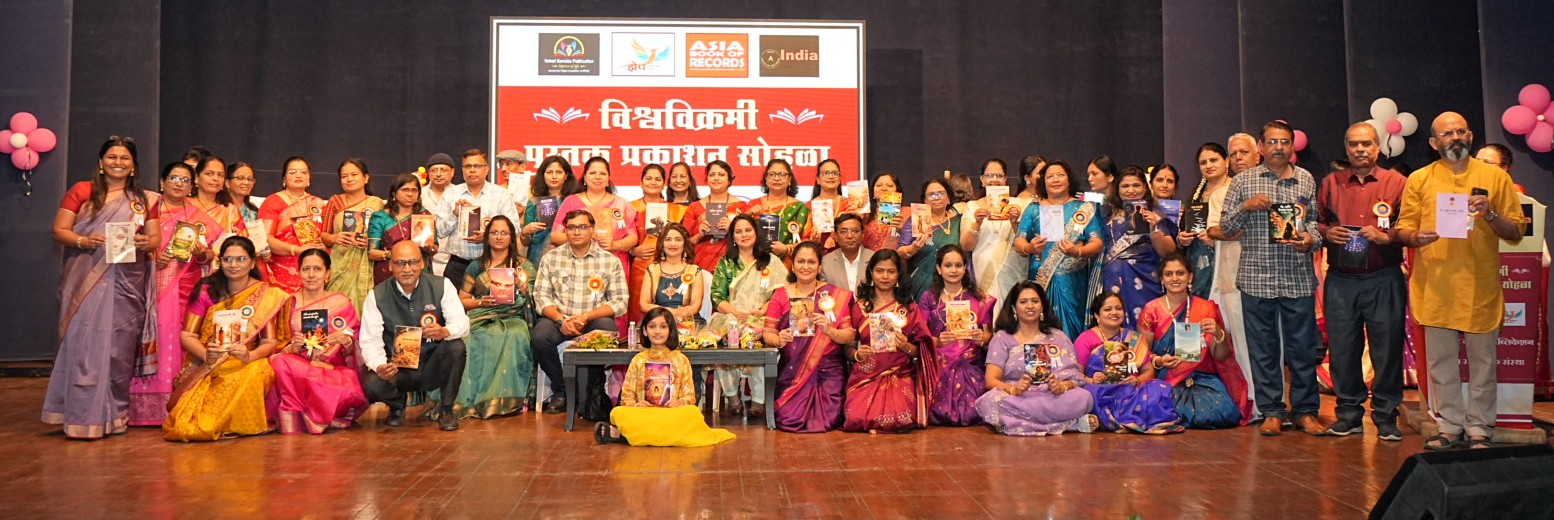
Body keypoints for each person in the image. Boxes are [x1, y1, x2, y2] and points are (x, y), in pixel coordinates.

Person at [1397, 112, 1525, 450]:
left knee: (1483, 364)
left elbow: (1516, 231)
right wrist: (1414, 237)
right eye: (1446, 133)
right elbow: (1403, 227)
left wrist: (1490, 213)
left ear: (1470, 136)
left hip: (1479, 285)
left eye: (1460, 131)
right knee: (1441, 364)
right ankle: (1450, 426)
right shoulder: (1420, 179)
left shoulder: (1495, 177)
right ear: (1433, 142)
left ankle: (1480, 428)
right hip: (1435, 285)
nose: (1455, 137)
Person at [1210, 120, 1325, 436]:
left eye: (1285, 142)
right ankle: (1272, 411)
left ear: (1292, 146)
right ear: (1261, 147)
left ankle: (1305, 412)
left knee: (1302, 350)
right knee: (1263, 350)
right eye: (1272, 142)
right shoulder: (1243, 181)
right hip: (1256, 278)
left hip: (1297, 277)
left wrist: (1309, 240)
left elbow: (1314, 224)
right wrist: (1246, 206)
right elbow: (1226, 227)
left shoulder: (1305, 179)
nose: (1279, 147)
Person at [44, 136, 160, 439]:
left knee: (117, 351)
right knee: (85, 346)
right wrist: (84, 240)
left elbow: (155, 239)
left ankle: (115, 415)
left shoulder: (144, 199)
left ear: (133, 165)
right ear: (101, 162)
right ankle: (80, 417)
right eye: (112, 157)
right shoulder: (82, 191)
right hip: (85, 279)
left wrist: (145, 242)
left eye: (124, 158)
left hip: (127, 283)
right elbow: (59, 231)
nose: (117, 163)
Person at [1313, 123, 1408, 441]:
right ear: (1346, 148)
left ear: (1378, 147)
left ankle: (1386, 415)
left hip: (1384, 278)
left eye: (1366, 143)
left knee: (1387, 350)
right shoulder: (1330, 183)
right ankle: (1349, 414)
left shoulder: (1397, 182)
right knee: (1342, 349)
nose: (1360, 149)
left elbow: (1409, 223)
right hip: (1341, 279)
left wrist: (1387, 236)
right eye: (1353, 144)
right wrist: (1328, 232)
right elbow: (1315, 223)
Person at [164, 236, 291, 441]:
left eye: (241, 259)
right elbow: (188, 335)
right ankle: (218, 423)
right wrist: (207, 355)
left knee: (256, 371)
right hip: (209, 361)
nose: (233, 265)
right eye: (228, 259)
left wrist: (249, 356)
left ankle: (239, 424)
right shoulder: (206, 290)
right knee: (189, 423)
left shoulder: (265, 294)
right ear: (220, 261)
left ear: (252, 262)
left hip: (245, 360)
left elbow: (269, 342)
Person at [132, 162, 219, 425]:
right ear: (162, 182)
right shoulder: (146, 210)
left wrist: (201, 253)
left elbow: (210, 255)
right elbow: (128, 243)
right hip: (147, 288)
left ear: (191, 186)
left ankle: (179, 402)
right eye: (174, 178)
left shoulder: (198, 216)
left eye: (185, 180)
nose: (179, 183)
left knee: (178, 341)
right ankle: (141, 408)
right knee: (150, 337)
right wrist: (152, 254)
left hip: (184, 290)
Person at [359, 240, 470, 431]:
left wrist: (445, 331)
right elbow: (370, 341)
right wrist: (380, 365)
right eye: (400, 263)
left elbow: (462, 323)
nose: (407, 269)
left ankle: (446, 409)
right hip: (399, 369)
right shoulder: (376, 295)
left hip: (432, 364)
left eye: (413, 262)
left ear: (422, 263)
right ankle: (397, 405)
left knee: (456, 346)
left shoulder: (442, 285)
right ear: (390, 265)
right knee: (372, 384)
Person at [1136, 255, 1251, 428]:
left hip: (1202, 377)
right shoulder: (1151, 311)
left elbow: (1221, 356)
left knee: (1225, 411)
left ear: (1190, 277)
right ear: (1162, 279)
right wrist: (1159, 360)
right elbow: (1143, 355)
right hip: (1166, 377)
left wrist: (1218, 333)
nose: (1174, 278)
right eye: (1168, 274)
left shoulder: (1206, 308)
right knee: (1156, 404)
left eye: (1180, 273)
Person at [533, 209, 630, 414]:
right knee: (540, 337)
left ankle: (589, 394)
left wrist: (586, 317)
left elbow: (620, 302)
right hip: (558, 319)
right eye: (571, 227)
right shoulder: (551, 258)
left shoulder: (609, 260)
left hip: (592, 318)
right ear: (565, 230)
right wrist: (561, 320)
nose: (576, 232)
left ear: (592, 230)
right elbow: (541, 297)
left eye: (582, 227)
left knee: (607, 329)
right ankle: (561, 390)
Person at [597, 308, 736, 446]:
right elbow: (626, 397)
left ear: (670, 331)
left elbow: (690, 397)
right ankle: (665, 436)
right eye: (652, 326)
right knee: (618, 412)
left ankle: (628, 435)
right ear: (644, 331)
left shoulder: (681, 360)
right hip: (645, 414)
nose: (657, 331)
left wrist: (680, 402)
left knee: (692, 413)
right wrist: (637, 405)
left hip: (671, 414)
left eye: (663, 327)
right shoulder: (638, 360)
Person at [974, 281, 1097, 436]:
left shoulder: (1058, 336)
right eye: (1023, 302)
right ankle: (1071, 424)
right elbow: (991, 380)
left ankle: (1015, 424)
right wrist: (1014, 389)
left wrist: (1061, 386)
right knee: (990, 400)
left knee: (1083, 397)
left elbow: (1075, 376)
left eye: (1035, 301)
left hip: (1052, 395)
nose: (1030, 306)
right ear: (1014, 308)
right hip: (1019, 397)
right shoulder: (1002, 337)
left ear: (1042, 306)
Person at [270, 249, 369, 434]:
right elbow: (276, 346)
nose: (311, 274)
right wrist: (292, 347)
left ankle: (316, 414)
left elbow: (357, 346)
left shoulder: (341, 303)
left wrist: (346, 342)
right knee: (279, 362)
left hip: (333, 370)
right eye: (306, 269)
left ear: (327, 274)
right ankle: (302, 416)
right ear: (299, 272)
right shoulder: (287, 304)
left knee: (341, 385)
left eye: (317, 269)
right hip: (298, 368)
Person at [765, 241, 858, 433]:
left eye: (811, 262)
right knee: (787, 417)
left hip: (828, 370)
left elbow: (849, 336)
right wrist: (779, 339)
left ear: (819, 267)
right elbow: (768, 333)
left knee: (829, 418)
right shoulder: (781, 295)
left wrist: (829, 330)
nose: (805, 266)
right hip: (792, 370)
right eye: (800, 261)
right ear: (793, 266)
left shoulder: (832, 295)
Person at [455, 216, 538, 419]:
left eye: (504, 233)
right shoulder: (476, 266)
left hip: (513, 316)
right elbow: (462, 300)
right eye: (494, 232)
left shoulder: (523, 265)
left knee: (514, 335)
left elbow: (535, 297)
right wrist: (480, 302)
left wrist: (521, 286)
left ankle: (502, 399)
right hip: (481, 315)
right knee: (468, 338)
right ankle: (470, 401)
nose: (499, 237)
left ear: (511, 238)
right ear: (487, 237)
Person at [710, 214, 788, 418]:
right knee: (724, 338)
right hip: (731, 316)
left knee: (758, 336)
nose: (744, 235)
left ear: (756, 233)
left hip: (763, 316)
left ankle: (759, 399)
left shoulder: (771, 261)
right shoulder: (727, 262)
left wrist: (763, 310)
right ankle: (731, 395)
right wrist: (734, 312)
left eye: (748, 230)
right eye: (738, 231)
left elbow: (782, 293)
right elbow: (717, 297)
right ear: (733, 237)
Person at [1014, 160, 1105, 338]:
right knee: (1040, 326)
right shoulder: (1034, 208)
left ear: (1069, 179)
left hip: (1073, 281)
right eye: (1050, 176)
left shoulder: (1084, 208)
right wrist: (1030, 247)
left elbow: (1097, 241)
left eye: (1060, 175)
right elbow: (1018, 241)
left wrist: (1077, 252)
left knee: (1073, 328)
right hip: (1040, 278)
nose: (1055, 180)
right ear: (1043, 181)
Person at [1074, 291, 1183, 434]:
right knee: (1090, 392)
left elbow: (1148, 370)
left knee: (1158, 387)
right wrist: (1091, 379)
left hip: (1131, 388)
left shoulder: (1134, 338)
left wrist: (1137, 380)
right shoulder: (1086, 338)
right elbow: (1076, 374)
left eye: (1118, 308)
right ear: (1096, 315)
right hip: (1102, 388)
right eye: (1108, 309)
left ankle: (1137, 421)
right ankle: (1125, 420)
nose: (1114, 312)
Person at [841, 248, 925, 433]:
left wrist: (905, 346)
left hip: (900, 374)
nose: (885, 276)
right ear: (871, 273)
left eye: (891, 271)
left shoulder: (908, 308)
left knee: (901, 418)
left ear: (898, 275)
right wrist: (857, 355)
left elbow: (922, 350)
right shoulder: (860, 306)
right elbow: (848, 347)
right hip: (866, 375)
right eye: (880, 271)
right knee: (856, 418)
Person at [918, 245, 994, 426]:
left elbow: (989, 334)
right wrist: (937, 341)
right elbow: (921, 335)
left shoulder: (978, 298)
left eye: (958, 265)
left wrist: (981, 338)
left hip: (971, 359)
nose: (954, 270)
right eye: (948, 265)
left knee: (973, 409)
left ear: (965, 268)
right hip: (939, 359)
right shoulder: (929, 298)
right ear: (939, 268)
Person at [1208, 135, 1257, 415]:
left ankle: (1274, 406)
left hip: (1271, 278)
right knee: (1240, 344)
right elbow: (1216, 230)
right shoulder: (1220, 195)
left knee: (1272, 344)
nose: (1239, 157)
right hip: (1233, 279)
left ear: (1258, 154)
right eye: (1234, 153)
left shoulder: (1272, 187)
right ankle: (1252, 404)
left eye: (1244, 152)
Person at [1100, 166, 1177, 328]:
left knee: (1147, 323)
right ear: (1117, 189)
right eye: (1125, 186)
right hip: (1113, 279)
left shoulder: (1156, 212)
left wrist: (1153, 229)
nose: (1131, 190)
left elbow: (1168, 252)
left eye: (1136, 185)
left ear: (1145, 188)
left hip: (1145, 278)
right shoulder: (1107, 213)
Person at [961, 158, 1030, 322]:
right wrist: (977, 223)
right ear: (982, 179)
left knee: (1014, 317)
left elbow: (1027, 243)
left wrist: (1014, 222)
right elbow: (966, 245)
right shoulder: (973, 206)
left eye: (999, 175)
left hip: (1013, 271)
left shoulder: (1020, 205)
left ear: (1005, 179)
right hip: (984, 272)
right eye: (989, 175)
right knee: (988, 318)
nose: (994, 179)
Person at [552, 157, 637, 285]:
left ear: (608, 179)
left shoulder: (620, 203)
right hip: (577, 266)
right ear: (585, 178)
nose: (597, 177)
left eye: (602, 173)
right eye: (592, 173)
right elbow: (555, 236)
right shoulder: (571, 201)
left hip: (613, 266)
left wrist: (615, 245)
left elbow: (633, 237)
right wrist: (582, 237)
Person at [441, 150, 519, 287]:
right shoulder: (450, 194)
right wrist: (454, 214)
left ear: (487, 169)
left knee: (491, 301)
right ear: (462, 169)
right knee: (453, 301)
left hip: (492, 264)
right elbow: (440, 231)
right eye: (467, 166)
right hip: (457, 265)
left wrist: (488, 237)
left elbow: (515, 229)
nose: (472, 170)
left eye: (477, 166)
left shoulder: (502, 194)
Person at [321, 158, 385, 308]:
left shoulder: (377, 203)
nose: (349, 179)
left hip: (367, 265)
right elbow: (323, 235)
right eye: (344, 176)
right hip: (339, 265)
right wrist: (334, 238)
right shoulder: (335, 201)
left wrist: (371, 243)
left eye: (354, 174)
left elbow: (385, 236)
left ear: (366, 178)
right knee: (337, 307)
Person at [629, 164, 687, 322]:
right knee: (639, 312)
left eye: (658, 179)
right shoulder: (629, 207)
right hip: (639, 268)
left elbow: (683, 238)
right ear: (641, 182)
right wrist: (632, 251)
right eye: (648, 178)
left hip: (670, 268)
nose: (653, 182)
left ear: (663, 184)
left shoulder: (676, 210)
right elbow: (622, 237)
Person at [259, 156, 326, 293]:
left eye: (303, 172)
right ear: (284, 178)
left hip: (313, 272)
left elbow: (326, 235)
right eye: (292, 172)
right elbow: (265, 240)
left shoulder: (318, 203)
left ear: (309, 177)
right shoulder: (272, 202)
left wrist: (325, 246)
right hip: (281, 272)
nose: (298, 175)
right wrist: (296, 249)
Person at [1179, 144, 1231, 298]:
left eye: (1213, 160)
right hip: (1198, 259)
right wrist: (1182, 240)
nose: (1208, 165)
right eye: (1203, 162)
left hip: (1227, 257)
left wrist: (1217, 240)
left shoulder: (1235, 189)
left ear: (1226, 161)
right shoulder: (1197, 194)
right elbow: (1184, 228)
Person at [368, 173, 437, 284]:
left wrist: (429, 248)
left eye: (414, 190)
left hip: (418, 274)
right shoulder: (381, 217)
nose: (410, 194)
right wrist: (395, 255)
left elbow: (434, 248)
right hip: (389, 274)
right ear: (394, 193)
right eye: (405, 190)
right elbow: (371, 253)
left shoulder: (424, 216)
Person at [897, 177, 961, 296]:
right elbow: (900, 252)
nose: (936, 197)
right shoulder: (916, 220)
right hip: (921, 284)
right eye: (931, 194)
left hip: (952, 283)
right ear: (925, 200)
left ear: (948, 198)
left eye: (941, 193)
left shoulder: (958, 221)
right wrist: (914, 248)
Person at [683, 160, 748, 272]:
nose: (716, 178)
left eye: (721, 174)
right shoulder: (694, 207)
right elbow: (683, 242)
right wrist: (699, 235)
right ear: (707, 179)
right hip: (700, 266)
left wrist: (732, 229)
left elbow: (750, 240)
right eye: (712, 175)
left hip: (731, 266)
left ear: (729, 180)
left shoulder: (741, 207)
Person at [637, 223, 704, 328]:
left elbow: (696, 306)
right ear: (662, 243)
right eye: (668, 239)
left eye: (678, 239)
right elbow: (643, 305)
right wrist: (668, 313)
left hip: (688, 321)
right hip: (658, 320)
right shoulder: (652, 270)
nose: (673, 244)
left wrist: (680, 316)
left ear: (685, 243)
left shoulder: (694, 271)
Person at [519, 155, 580, 266]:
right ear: (543, 175)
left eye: (559, 172)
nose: (554, 176)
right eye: (549, 172)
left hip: (569, 259)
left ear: (566, 175)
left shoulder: (575, 201)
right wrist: (525, 232)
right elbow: (526, 242)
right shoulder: (533, 202)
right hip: (538, 258)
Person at [748, 158, 810, 261]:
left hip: (788, 264)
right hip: (756, 262)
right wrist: (748, 213)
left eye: (782, 174)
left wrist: (786, 249)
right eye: (772, 174)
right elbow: (740, 233)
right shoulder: (753, 205)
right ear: (766, 179)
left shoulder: (800, 208)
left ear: (789, 180)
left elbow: (807, 243)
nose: (776, 178)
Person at [420, 152, 461, 278]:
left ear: (452, 172)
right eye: (434, 170)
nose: (438, 174)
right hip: (424, 256)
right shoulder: (419, 195)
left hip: (454, 259)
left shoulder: (461, 194)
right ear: (428, 173)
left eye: (443, 170)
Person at [819, 213, 873, 292]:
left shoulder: (874, 259)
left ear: (862, 235)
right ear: (835, 236)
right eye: (843, 232)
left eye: (855, 231)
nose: (849, 236)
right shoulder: (825, 262)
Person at [804, 159, 848, 251]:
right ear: (818, 180)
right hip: (818, 254)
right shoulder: (808, 207)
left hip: (846, 253)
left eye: (835, 173)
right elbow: (802, 239)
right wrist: (812, 241)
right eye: (826, 173)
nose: (830, 176)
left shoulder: (849, 204)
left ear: (839, 179)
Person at [861, 172, 906, 251]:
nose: (884, 188)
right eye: (879, 185)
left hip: (894, 257)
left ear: (897, 191)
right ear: (872, 192)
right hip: (868, 257)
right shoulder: (864, 213)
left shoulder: (906, 213)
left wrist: (902, 229)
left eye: (889, 186)